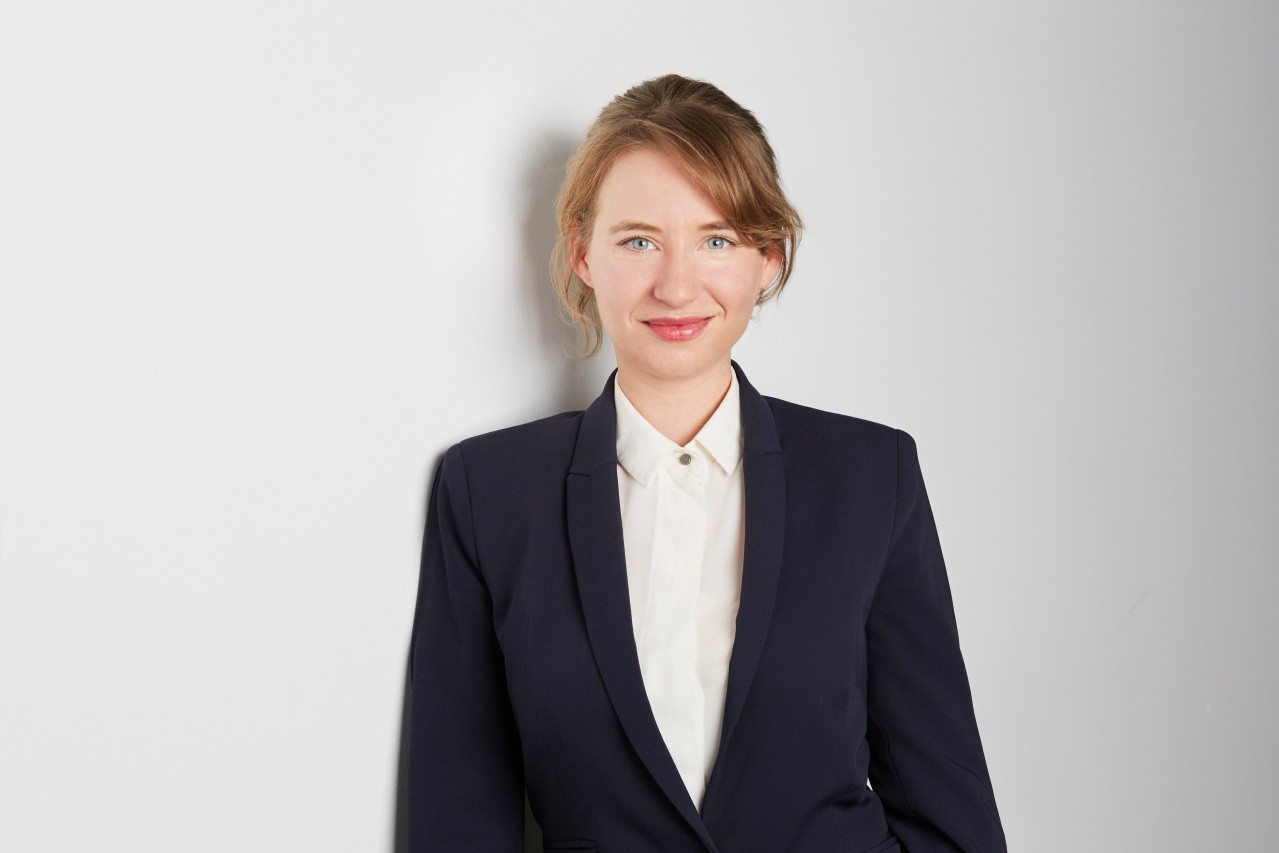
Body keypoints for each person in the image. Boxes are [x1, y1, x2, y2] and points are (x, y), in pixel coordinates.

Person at [406, 74, 1006, 852]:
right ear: (582, 253)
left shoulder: (870, 477)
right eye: (638, 240)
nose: (676, 284)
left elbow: (948, 815)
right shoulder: (489, 492)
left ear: (767, 257)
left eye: (715, 239)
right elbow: (456, 818)